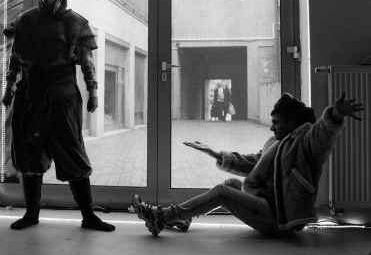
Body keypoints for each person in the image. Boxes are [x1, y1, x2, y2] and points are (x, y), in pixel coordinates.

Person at [132, 92, 364, 237]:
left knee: (222, 192)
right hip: (264, 204)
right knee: (230, 184)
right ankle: (183, 218)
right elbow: (254, 163)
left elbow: (324, 133)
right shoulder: (275, 142)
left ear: (292, 122)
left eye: (276, 122)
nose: (271, 127)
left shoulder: (306, 143)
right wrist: (215, 153)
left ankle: (162, 218)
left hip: (278, 218)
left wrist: (336, 114)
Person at [2, 0, 115, 232]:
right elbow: (15, 58)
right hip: (30, 97)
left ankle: (88, 215)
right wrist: (9, 89)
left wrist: (93, 92)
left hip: (62, 98)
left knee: (72, 153)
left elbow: (87, 62)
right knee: (30, 154)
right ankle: (31, 213)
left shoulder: (74, 23)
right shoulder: (26, 21)